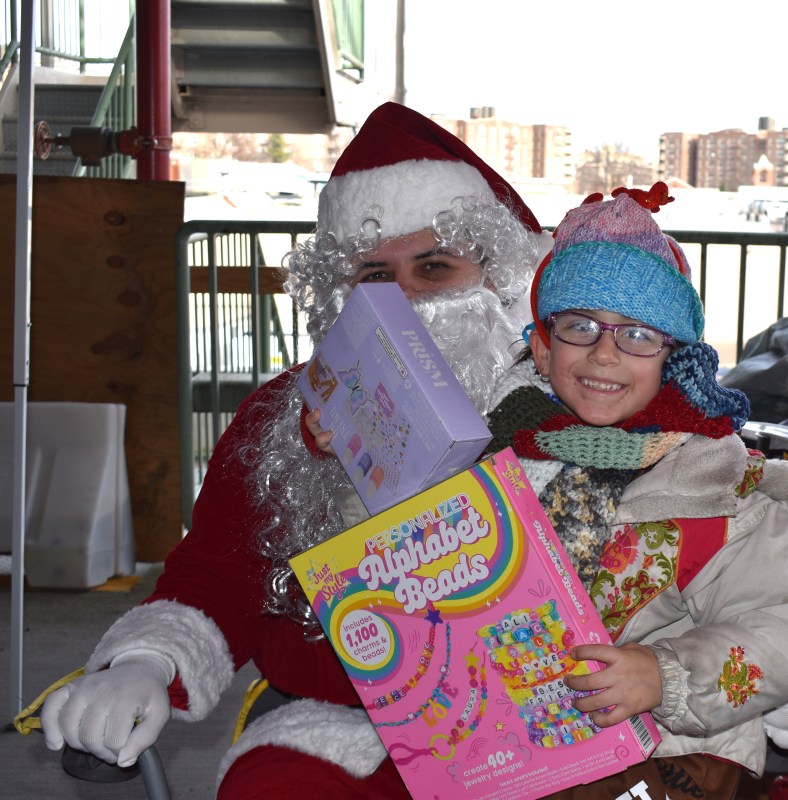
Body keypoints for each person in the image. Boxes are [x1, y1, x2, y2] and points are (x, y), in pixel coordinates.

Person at [38, 102, 548, 798]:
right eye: (374, 276)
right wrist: (147, 659)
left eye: (433, 268)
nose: (402, 301)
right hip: (340, 730)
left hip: (538, 727)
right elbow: (217, 575)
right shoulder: (277, 418)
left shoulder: (563, 408)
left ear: (500, 278)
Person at [482, 184, 788, 799]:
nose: (604, 353)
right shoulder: (493, 454)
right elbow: (398, 549)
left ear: (676, 359)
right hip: (506, 741)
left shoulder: (714, 492)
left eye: (638, 334)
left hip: (665, 750)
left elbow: (787, 623)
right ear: (542, 348)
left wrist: (665, 676)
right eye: (580, 326)